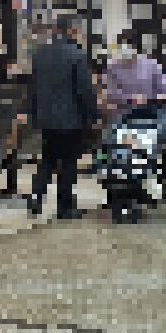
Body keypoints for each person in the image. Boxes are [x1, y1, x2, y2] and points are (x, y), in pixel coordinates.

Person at [27, 17, 98, 220]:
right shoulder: (77, 55)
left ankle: (36, 197)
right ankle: (65, 206)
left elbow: (32, 89)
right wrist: (93, 115)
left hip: (46, 119)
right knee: (68, 162)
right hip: (70, 119)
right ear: (72, 31)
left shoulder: (40, 54)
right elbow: (84, 90)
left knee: (48, 159)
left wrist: (33, 113)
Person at [103, 30, 166, 119]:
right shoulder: (113, 67)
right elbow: (112, 94)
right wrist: (133, 99)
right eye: (122, 46)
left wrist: (149, 98)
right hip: (124, 112)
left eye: (129, 45)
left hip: (152, 109)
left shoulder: (151, 64)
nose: (125, 49)